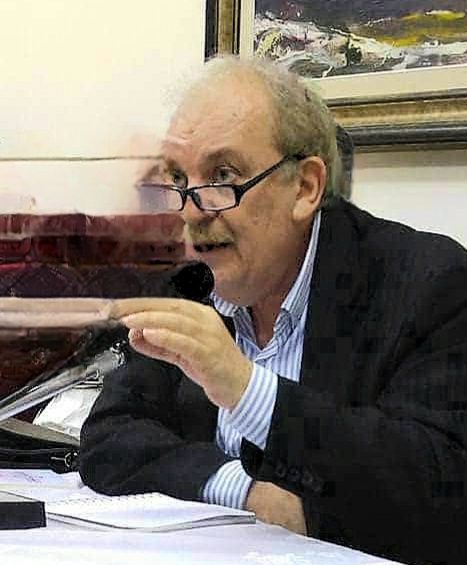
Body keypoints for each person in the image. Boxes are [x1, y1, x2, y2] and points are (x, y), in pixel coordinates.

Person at [79, 57, 467, 565]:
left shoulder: (428, 284)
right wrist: (243, 490)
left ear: (305, 188)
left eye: (222, 175)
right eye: (177, 179)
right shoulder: (189, 280)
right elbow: (109, 439)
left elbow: (440, 490)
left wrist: (246, 390)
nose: (191, 211)